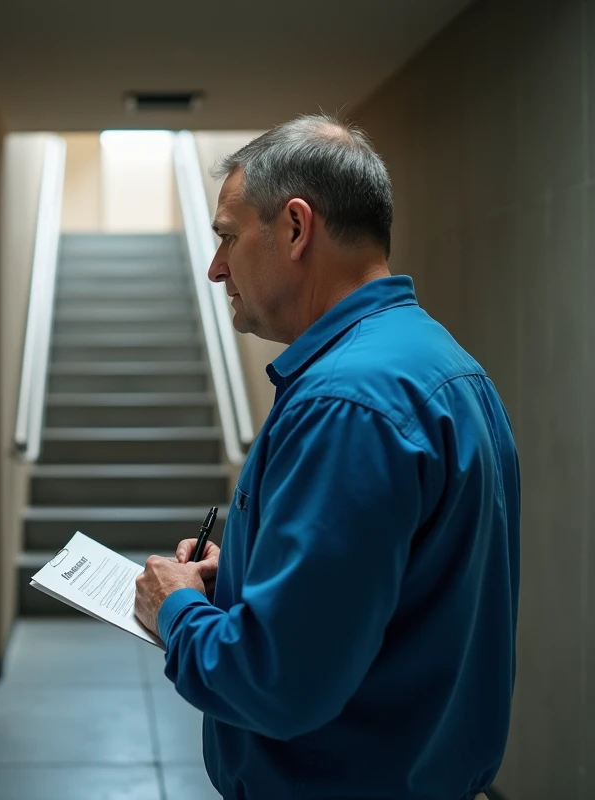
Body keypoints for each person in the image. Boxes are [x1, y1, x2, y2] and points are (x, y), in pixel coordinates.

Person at [133, 113, 519, 800]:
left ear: (295, 227)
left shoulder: (346, 403)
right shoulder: (440, 365)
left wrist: (177, 609)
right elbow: (399, 594)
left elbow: (279, 684)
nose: (217, 268)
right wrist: (246, 575)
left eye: (227, 237)